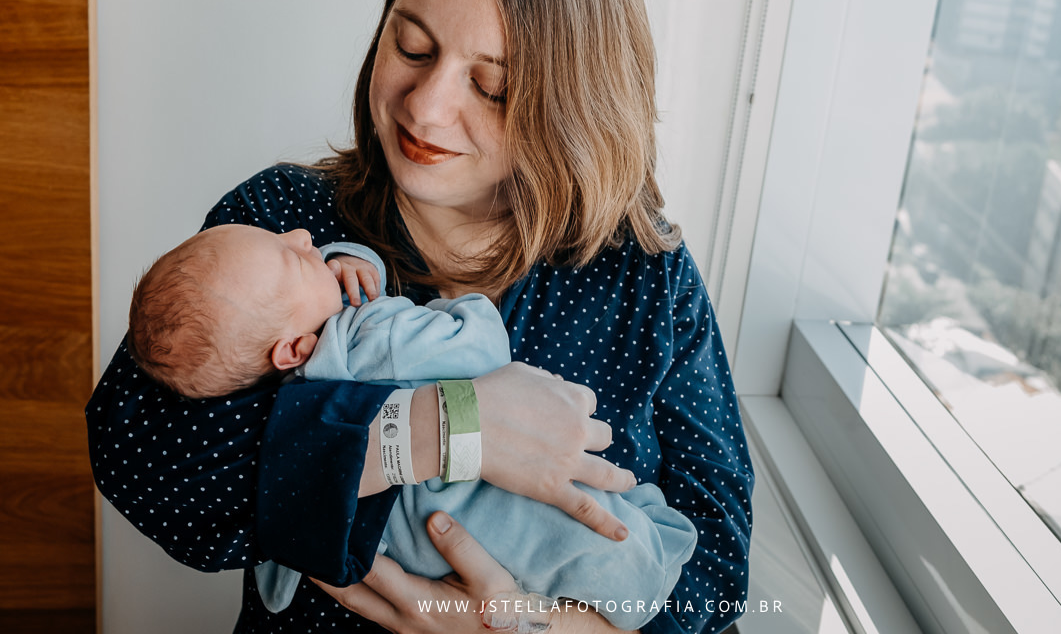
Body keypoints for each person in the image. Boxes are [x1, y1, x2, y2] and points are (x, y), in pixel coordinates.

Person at [87, 0, 753, 634]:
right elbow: (147, 459)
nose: (426, 105)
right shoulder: (281, 222)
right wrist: (447, 426)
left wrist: (526, 628)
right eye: (412, 45)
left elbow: (717, 564)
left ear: (572, 107)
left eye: (492, 87)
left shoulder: (644, 273)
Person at [125, 223, 697, 629]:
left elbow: (721, 546)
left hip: (428, 550)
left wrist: (548, 628)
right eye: (415, 49)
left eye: (490, 85)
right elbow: (480, 343)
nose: (301, 237)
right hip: (509, 526)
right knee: (597, 540)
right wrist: (463, 315)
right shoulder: (372, 335)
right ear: (293, 347)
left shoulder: (283, 383)